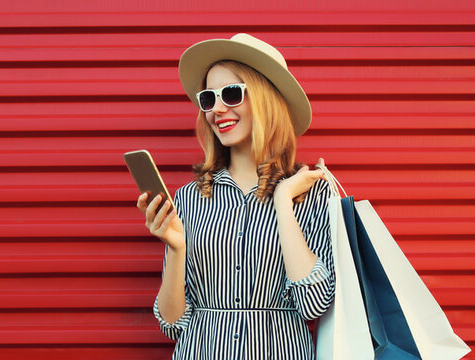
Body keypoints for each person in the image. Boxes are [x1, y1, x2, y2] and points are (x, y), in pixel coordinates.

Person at [136, 33, 334, 359]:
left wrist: (283, 199)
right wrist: (176, 246)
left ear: (266, 99)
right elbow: (172, 324)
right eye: (208, 99)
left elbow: (313, 304)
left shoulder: (310, 193)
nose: (218, 109)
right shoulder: (188, 198)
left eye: (231, 94)